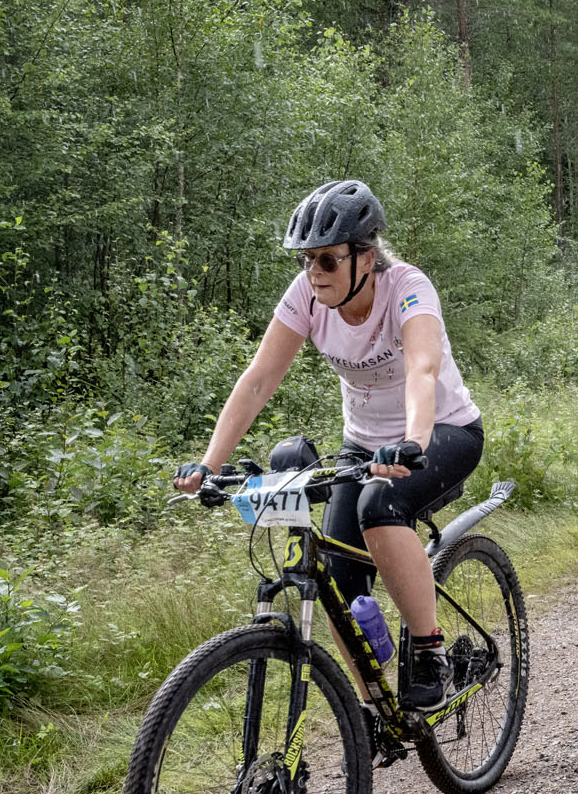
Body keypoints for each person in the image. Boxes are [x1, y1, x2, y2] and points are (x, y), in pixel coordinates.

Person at [173, 180, 484, 713]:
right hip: (363, 444)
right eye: (305, 261)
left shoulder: (407, 287)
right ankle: (373, 706)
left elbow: (422, 369)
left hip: (443, 432)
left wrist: (412, 441)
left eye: (327, 261)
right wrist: (209, 463)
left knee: (379, 508)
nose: (314, 273)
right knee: (338, 578)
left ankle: (429, 650)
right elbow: (257, 381)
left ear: (366, 256)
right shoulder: (306, 296)